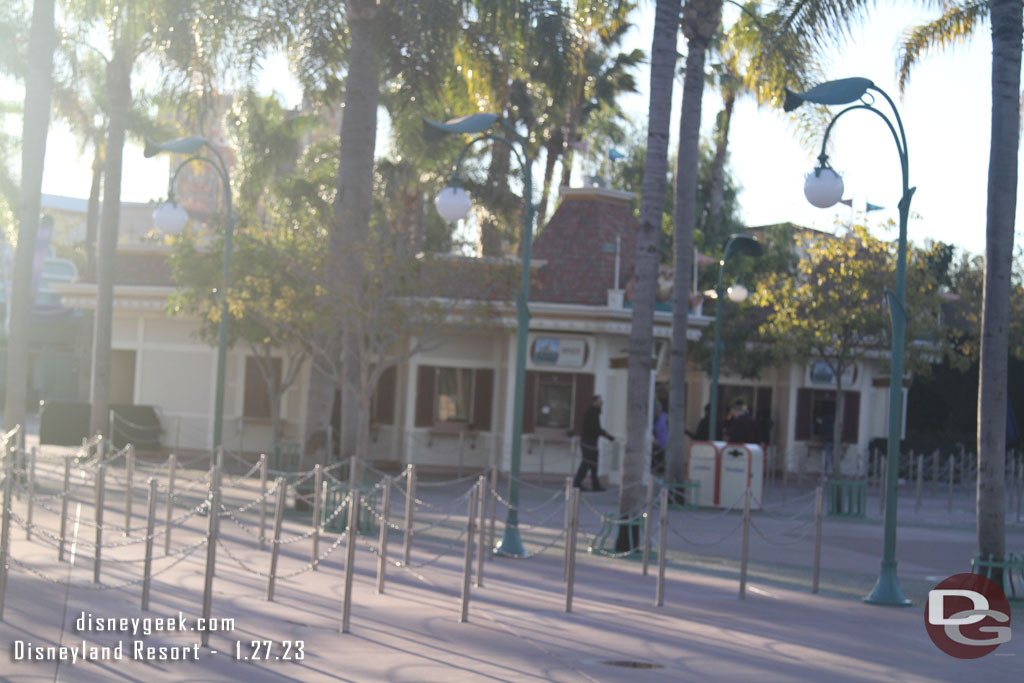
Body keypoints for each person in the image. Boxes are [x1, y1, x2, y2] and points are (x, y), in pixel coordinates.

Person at [573, 394, 614, 491]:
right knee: (587, 462)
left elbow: (596, 429)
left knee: (594, 464)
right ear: (594, 402)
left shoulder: (595, 413)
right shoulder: (590, 413)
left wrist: (605, 435)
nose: (601, 403)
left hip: (592, 441)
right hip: (587, 441)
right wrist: (607, 435)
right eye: (600, 401)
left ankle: (596, 485)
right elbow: (595, 429)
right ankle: (577, 483)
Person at [651, 401, 668, 476]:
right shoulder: (657, 419)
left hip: (662, 445)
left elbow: (663, 434)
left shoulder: (663, 418)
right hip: (659, 444)